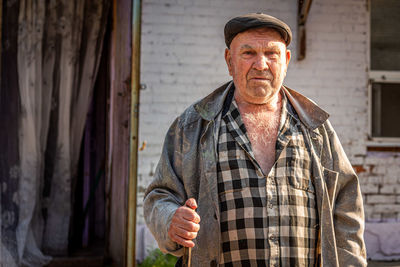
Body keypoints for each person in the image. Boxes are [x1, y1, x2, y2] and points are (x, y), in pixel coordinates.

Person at [144, 13, 367, 267]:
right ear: (230, 61)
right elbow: (159, 195)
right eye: (248, 53)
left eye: (271, 54)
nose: (261, 64)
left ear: (286, 61)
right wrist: (170, 219)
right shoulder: (193, 125)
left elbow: (346, 206)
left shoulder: (315, 127)